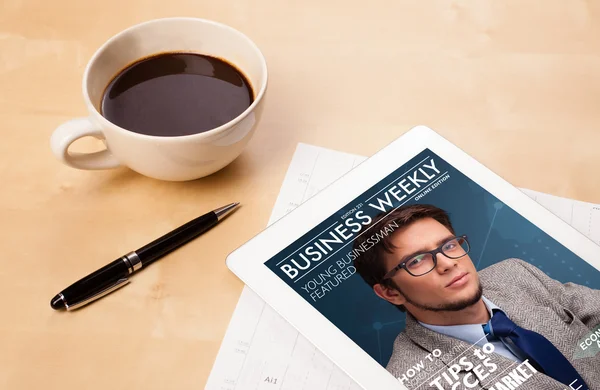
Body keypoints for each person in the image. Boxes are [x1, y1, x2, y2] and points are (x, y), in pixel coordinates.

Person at [353, 204, 600, 390]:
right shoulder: (409, 380)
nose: (448, 264)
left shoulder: (513, 273)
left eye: (449, 246)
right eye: (416, 261)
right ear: (390, 292)